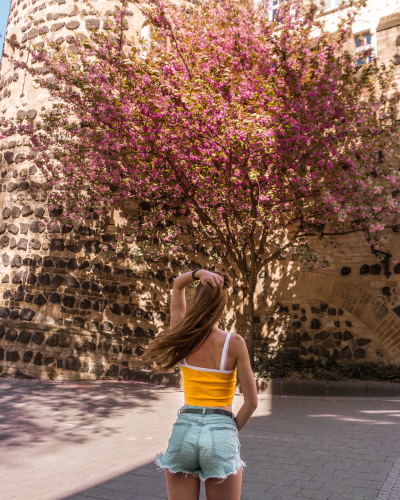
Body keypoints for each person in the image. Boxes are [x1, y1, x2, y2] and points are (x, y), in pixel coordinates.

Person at [141, 268, 258, 500]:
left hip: (185, 429)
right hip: (221, 428)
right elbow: (252, 402)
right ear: (222, 305)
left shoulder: (183, 336)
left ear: (197, 301)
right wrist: (228, 431)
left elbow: (176, 284)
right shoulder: (234, 343)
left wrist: (197, 273)